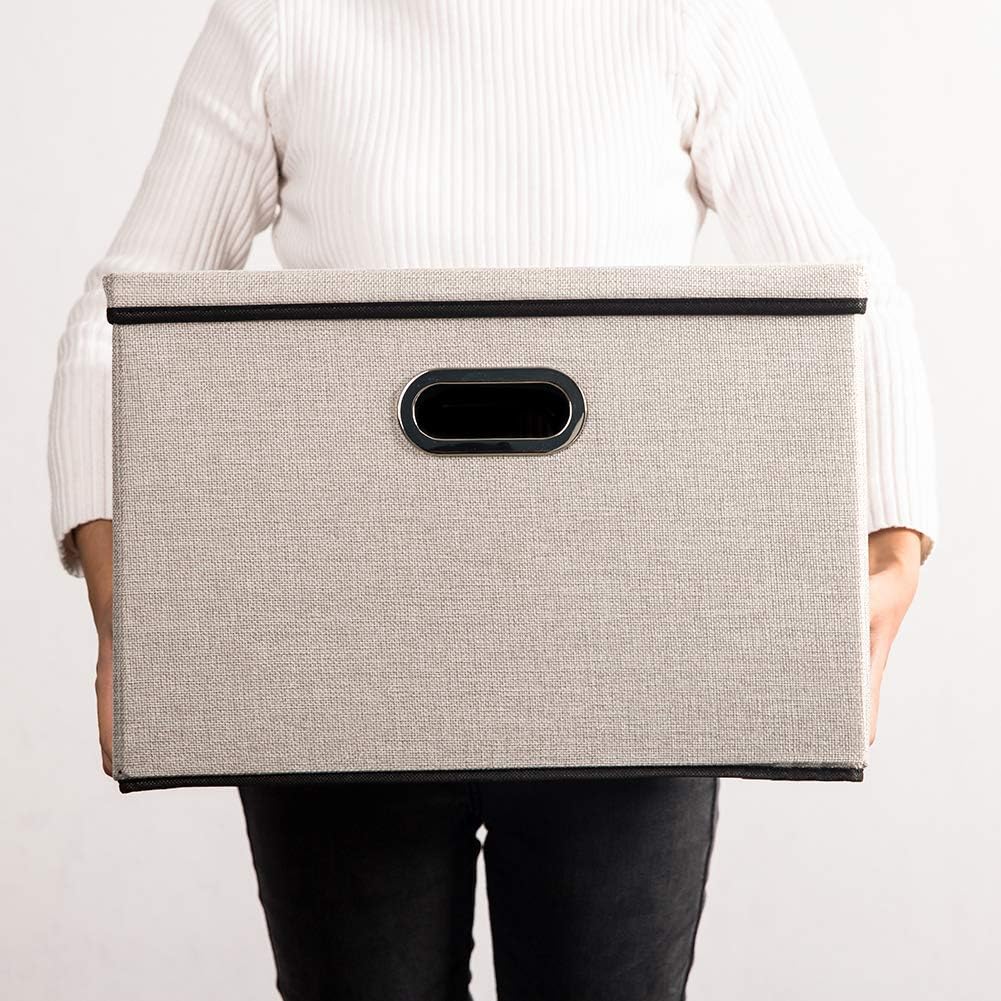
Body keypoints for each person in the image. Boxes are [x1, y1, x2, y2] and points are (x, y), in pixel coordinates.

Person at [47, 1, 938, 998]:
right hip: (340, 670)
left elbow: (852, 292)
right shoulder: (280, 19)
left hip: (629, 665)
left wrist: (893, 551)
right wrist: (123, 604)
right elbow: (116, 320)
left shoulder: (694, 16)